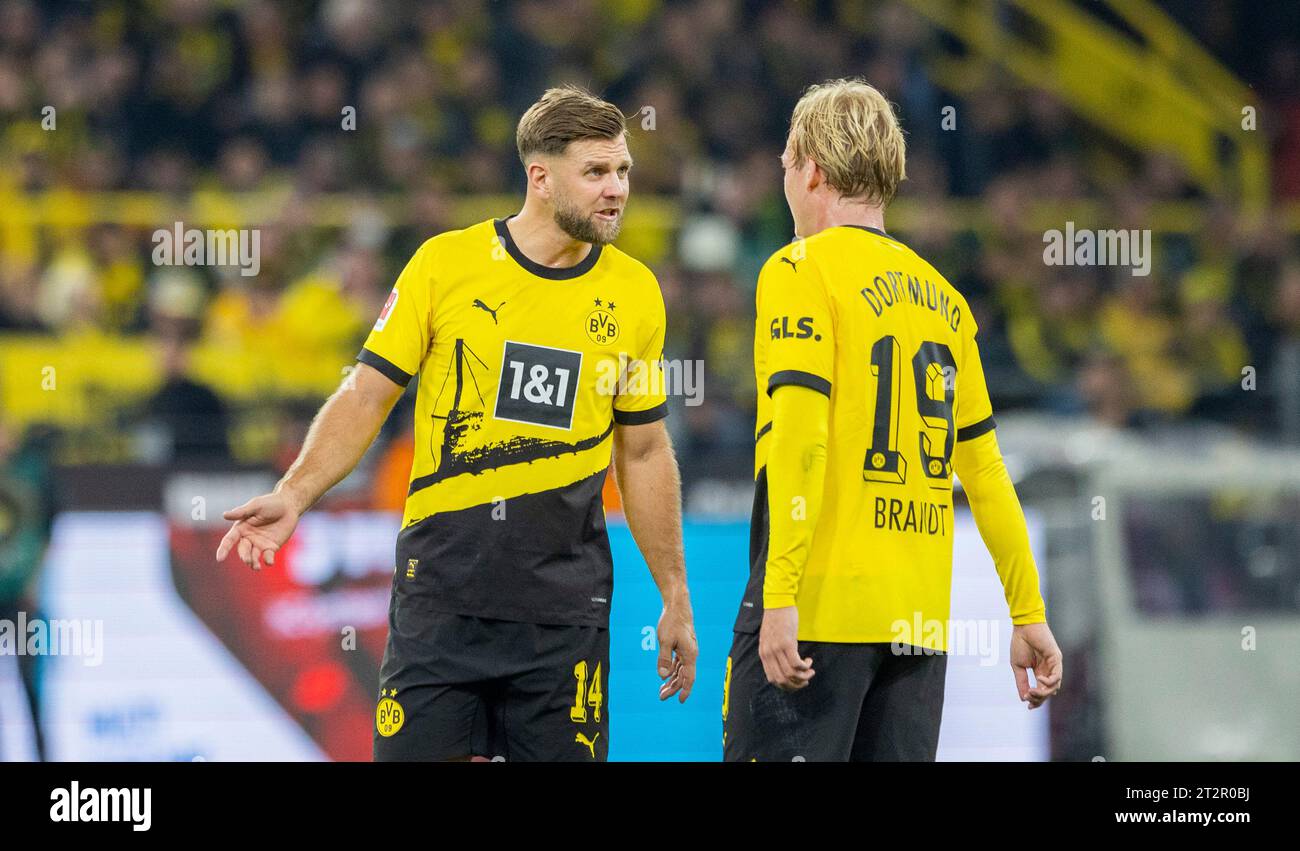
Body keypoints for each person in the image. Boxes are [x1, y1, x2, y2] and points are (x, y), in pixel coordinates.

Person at [217, 86, 697, 761]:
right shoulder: (446, 265)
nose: (616, 189)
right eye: (595, 172)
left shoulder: (636, 294)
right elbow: (365, 396)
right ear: (540, 176)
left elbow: (644, 452)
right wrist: (294, 492)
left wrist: (674, 591)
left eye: (622, 171)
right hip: (441, 603)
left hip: (563, 615)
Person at [723, 79, 1062, 762]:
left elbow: (800, 437)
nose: (785, 181)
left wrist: (780, 596)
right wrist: (1028, 613)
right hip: (916, 629)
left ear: (812, 169)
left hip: (817, 611)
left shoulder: (800, 269)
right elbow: (987, 475)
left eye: (787, 166)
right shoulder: (946, 300)